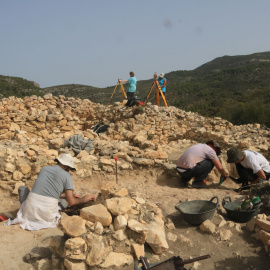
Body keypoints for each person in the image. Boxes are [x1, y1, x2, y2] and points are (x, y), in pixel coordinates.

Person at [6, 154, 95, 230]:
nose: (69, 171)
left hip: (28, 212)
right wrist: (84, 199)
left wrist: (66, 195)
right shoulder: (67, 176)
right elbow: (72, 202)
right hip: (46, 214)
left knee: (22, 188)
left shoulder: (44, 169)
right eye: (69, 169)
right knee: (64, 202)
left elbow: (48, 190)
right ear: (65, 166)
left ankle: (23, 210)